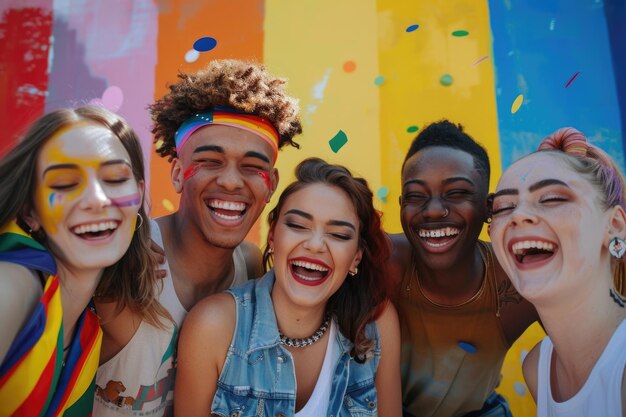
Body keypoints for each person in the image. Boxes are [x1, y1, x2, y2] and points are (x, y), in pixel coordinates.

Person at [94, 59, 302, 416]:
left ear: (272, 184)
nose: (232, 182)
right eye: (210, 161)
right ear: (177, 173)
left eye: (253, 168)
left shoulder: (253, 269)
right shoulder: (123, 255)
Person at [175, 157, 402, 416]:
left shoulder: (376, 324)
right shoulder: (213, 326)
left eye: (339, 234)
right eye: (297, 225)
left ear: (356, 257)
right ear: (273, 236)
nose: (315, 245)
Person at [0, 105, 163, 417]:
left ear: (138, 196)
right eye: (64, 184)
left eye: (115, 178)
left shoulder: (88, 333)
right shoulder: (15, 283)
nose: (98, 200)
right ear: (30, 211)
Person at [389, 120, 539, 417]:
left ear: (489, 208)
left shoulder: (519, 277)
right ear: (401, 206)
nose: (433, 210)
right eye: (416, 196)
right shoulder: (385, 262)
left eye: (456, 193)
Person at [488, 127, 626, 416]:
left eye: (551, 198)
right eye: (502, 207)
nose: (517, 215)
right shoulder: (538, 367)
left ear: (614, 226)